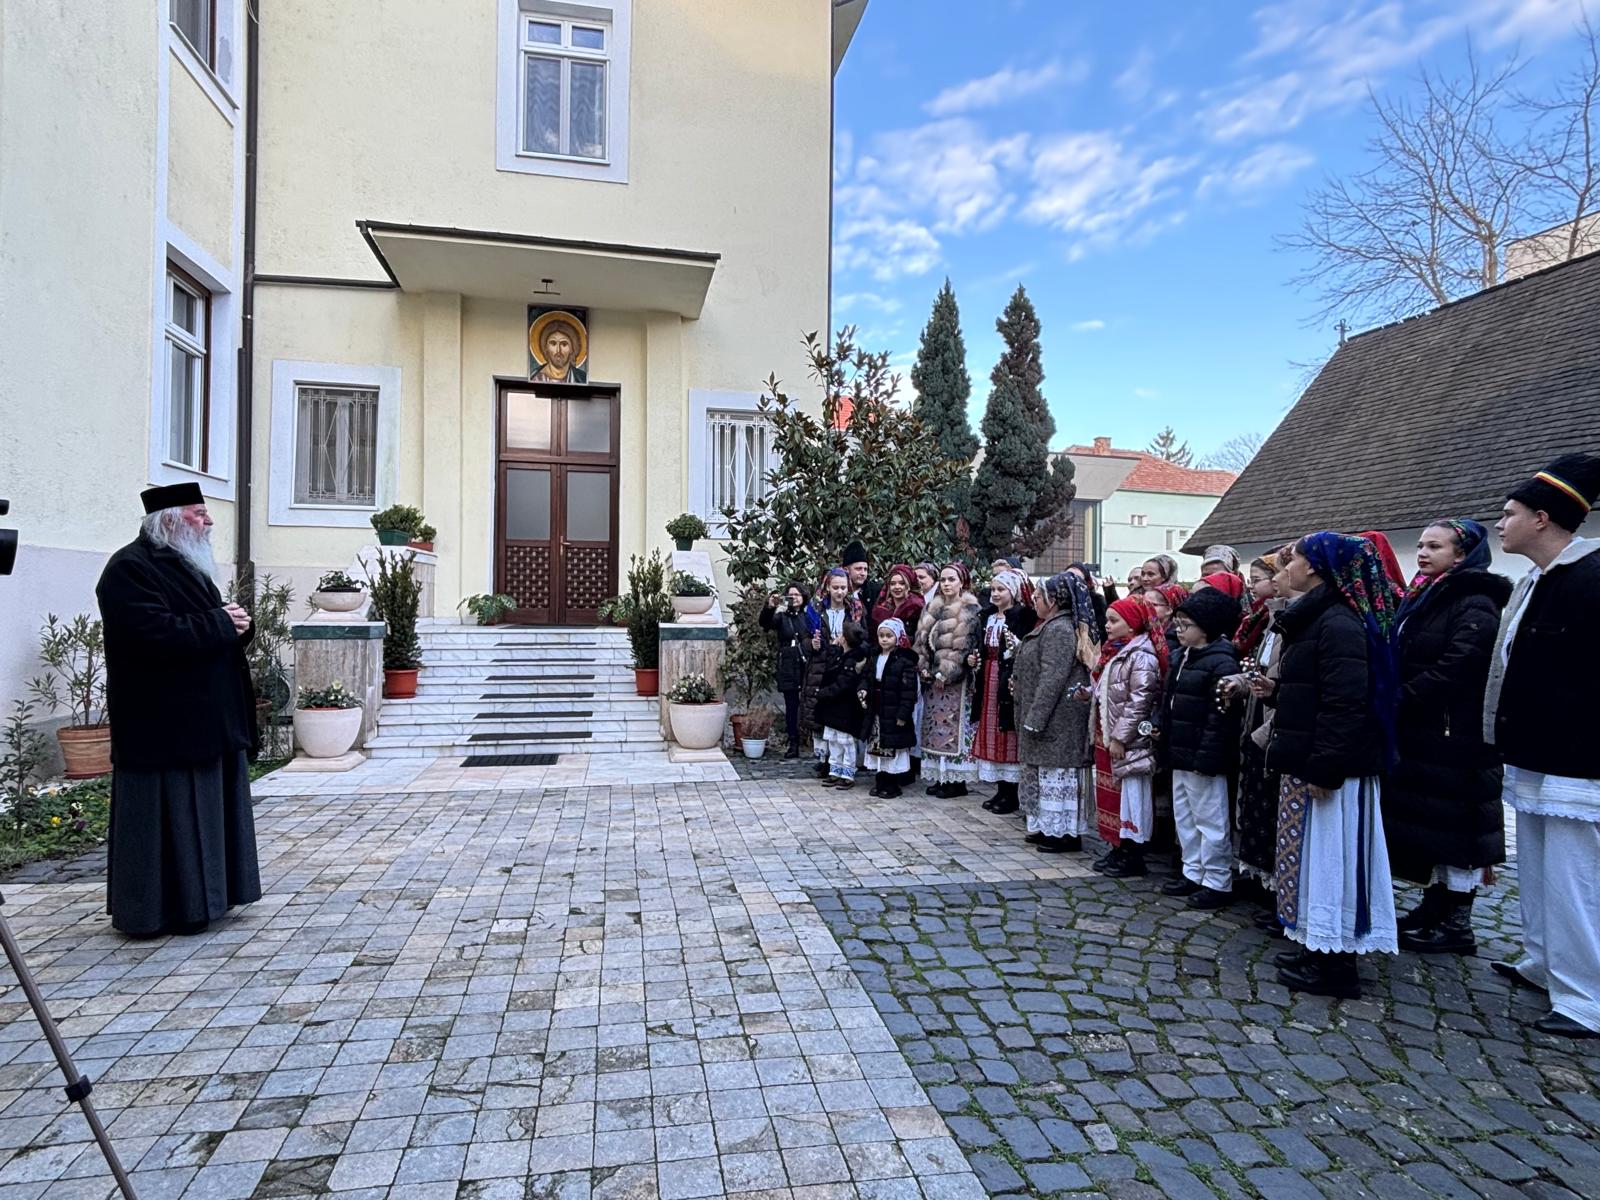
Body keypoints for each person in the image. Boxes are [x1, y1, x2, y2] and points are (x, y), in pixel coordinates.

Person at [96, 483, 262, 938]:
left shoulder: (185, 564)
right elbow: (151, 634)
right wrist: (220, 622)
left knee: (207, 815)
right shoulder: (129, 569)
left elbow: (205, 623)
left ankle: (207, 901)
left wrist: (237, 624)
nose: (208, 521)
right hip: (163, 726)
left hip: (206, 721)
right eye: (198, 513)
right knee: (168, 823)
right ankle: (159, 911)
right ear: (169, 519)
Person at [1484, 453, 1600, 1039]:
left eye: (1509, 513)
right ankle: (1544, 961)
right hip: (1535, 748)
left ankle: (1586, 998)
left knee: (1574, 876)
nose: (1499, 524)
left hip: (1578, 758)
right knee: (1535, 863)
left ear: (1542, 518)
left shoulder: (1591, 578)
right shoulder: (1536, 579)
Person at [1259, 533, 1401, 999]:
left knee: (1332, 860)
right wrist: (1278, 693)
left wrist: (1324, 767)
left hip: (1333, 768)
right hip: (1313, 757)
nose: (1288, 567)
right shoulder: (1321, 618)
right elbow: (1314, 689)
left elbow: (1345, 704)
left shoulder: (1339, 622)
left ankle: (1337, 962)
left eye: (1295, 559)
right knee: (1311, 858)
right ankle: (1316, 945)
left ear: (1315, 568)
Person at [1381, 519, 1511, 956]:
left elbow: (1459, 665)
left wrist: (1404, 696)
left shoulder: (1475, 601)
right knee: (1434, 827)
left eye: (1434, 546)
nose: (1422, 552)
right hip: (1428, 731)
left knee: (1459, 829)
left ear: (1461, 554)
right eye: (1420, 544)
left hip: (1457, 735)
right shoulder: (1427, 594)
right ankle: (1432, 908)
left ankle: (1457, 923)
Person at [1219, 550, 1293, 919]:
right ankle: (1260, 877)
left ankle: (1277, 887)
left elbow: (1281, 676)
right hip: (1257, 718)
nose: (1258, 584)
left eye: (1264, 577)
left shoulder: (1289, 619)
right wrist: (1241, 681)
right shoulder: (1269, 617)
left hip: (1273, 724)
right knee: (1256, 806)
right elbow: (1261, 670)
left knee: (1273, 810)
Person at [1163, 588, 1244, 909]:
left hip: (1203, 755)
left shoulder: (1221, 662)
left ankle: (1217, 879)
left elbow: (1219, 719)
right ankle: (1192, 870)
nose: (1179, 630)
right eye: (1178, 623)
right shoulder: (1182, 657)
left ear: (1207, 627)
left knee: (1209, 819)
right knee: (1185, 816)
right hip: (1180, 750)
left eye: (1186, 625)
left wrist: (1207, 757)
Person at [1014, 571, 1098, 854]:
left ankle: (1063, 833)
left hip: (1058, 719)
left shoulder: (1060, 629)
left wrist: (1036, 718)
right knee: (1044, 774)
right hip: (1049, 717)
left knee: (1057, 774)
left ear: (1053, 600)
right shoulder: (1050, 626)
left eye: (1039, 596)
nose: (1034, 600)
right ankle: (1048, 828)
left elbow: (1053, 677)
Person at [1092, 596, 1165, 877]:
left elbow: (1139, 702)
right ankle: (1118, 846)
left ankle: (1133, 853)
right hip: (1109, 735)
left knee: (1131, 797)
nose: (1107, 626)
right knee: (1114, 795)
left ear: (1132, 623)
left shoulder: (1141, 655)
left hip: (1128, 741)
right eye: (1107, 620)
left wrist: (1120, 737)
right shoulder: (1116, 651)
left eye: (1114, 621)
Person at [968, 568, 1036, 815]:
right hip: (988, 676)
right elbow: (980, 645)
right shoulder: (987, 616)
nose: (995, 594)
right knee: (991, 730)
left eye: (1001, 589)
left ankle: (1011, 792)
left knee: (1007, 731)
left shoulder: (1023, 616)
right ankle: (1001, 789)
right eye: (993, 589)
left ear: (1014, 592)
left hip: (1006, 677)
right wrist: (973, 659)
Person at [915, 563, 982, 797]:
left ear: (961, 582)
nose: (946, 584)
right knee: (935, 728)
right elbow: (921, 640)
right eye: (943, 579)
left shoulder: (969, 609)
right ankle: (940, 776)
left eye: (951, 579)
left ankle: (956, 780)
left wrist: (947, 672)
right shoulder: (931, 608)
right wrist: (924, 668)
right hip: (932, 680)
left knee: (953, 728)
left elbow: (964, 646)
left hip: (956, 681)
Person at [800, 568, 862, 778]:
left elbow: (861, 636)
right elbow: (804, 638)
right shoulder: (816, 610)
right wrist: (813, 644)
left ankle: (843, 764)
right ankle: (825, 760)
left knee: (839, 715)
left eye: (843, 587)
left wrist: (849, 644)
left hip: (843, 665)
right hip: (820, 666)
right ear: (827, 587)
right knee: (820, 713)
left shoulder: (854, 610)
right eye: (835, 587)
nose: (839, 592)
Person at [861, 617, 919, 798]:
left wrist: (903, 714)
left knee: (893, 747)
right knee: (878, 745)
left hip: (893, 710)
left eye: (889, 636)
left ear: (898, 637)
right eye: (881, 636)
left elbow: (909, 691)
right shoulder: (874, 657)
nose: (884, 639)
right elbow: (865, 677)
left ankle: (893, 783)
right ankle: (880, 780)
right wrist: (863, 689)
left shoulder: (903, 661)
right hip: (877, 709)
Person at [760, 581, 819, 759]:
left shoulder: (809, 616)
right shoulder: (782, 617)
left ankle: (815, 741)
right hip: (788, 664)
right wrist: (770, 607)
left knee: (810, 702)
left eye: (797, 595)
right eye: (790, 595)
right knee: (791, 705)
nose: (794, 598)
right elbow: (765, 623)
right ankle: (793, 742)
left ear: (803, 597)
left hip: (806, 662)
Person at [815, 622, 868, 789]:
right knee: (834, 741)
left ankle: (848, 773)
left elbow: (843, 684)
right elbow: (829, 667)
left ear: (844, 639)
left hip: (845, 707)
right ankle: (835, 770)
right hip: (833, 708)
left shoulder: (852, 660)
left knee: (846, 743)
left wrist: (823, 693)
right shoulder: (841, 655)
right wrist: (833, 648)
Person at [870, 564, 925, 640]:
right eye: (893, 584)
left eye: (902, 583)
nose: (897, 587)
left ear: (908, 585)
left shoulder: (917, 607)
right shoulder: (881, 608)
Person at [842, 540, 881, 613]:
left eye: (865, 569)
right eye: (858, 569)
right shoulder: (836, 591)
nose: (863, 573)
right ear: (846, 570)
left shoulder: (875, 592)